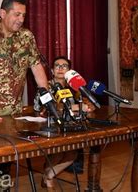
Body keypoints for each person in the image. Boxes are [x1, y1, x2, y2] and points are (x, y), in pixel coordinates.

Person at [40, 56, 95, 189]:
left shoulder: (73, 88)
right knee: (59, 151)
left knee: (72, 153)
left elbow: (85, 103)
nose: (60, 68)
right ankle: (48, 176)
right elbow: (44, 109)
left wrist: (87, 105)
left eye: (64, 66)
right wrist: (74, 108)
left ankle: (48, 174)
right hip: (50, 124)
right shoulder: (46, 86)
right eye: (57, 66)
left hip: (69, 125)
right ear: (52, 71)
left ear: (69, 71)